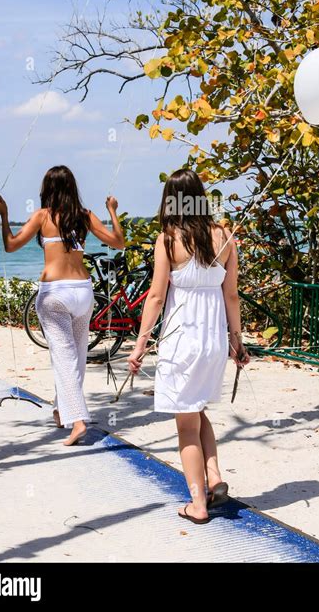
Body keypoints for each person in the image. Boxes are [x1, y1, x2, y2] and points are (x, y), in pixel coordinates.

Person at [127, 169, 248, 524]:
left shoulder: (168, 240)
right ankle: (215, 477)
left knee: (185, 425)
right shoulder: (224, 235)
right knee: (196, 410)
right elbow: (232, 295)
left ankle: (197, 504)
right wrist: (236, 343)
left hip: (182, 341)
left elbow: (155, 296)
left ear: (170, 199)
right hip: (213, 340)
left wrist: (139, 346)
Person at [0, 165, 125, 445]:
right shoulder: (85, 216)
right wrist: (112, 209)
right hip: (83, 292)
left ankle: (78, 421)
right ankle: (60, 409)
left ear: (47, 190)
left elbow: (10, 245)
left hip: (55, 293)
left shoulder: (43, 216)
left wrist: (4, 216)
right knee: (75, 358)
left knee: (65, 359)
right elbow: (119, 241)